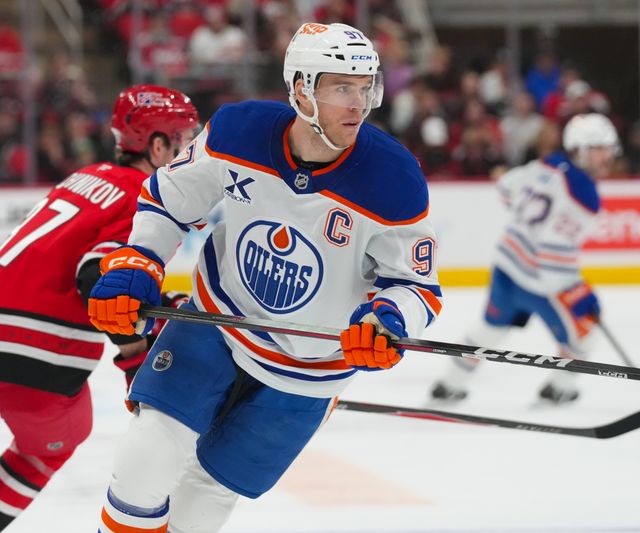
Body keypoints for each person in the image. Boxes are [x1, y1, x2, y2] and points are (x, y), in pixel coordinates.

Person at [88, 22, 442, 533]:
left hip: (310, 368)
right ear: (301, 88)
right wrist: (139, 259)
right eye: (342, 87)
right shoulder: (238, 131)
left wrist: (387, 318)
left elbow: (417, 286)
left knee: (199, 510)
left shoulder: (394, 181)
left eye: (366, 88)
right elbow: (170, 199)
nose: (358, 104)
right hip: (218, 320)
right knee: (142, 468)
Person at [0, 84, 198, 530]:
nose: (191, 154)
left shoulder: (89, 175)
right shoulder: (148, 196)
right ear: (157, 145)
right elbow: (97, 279)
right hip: (35, 349)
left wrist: (158, 304)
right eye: (184, 141)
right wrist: (135, 357)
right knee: (55, 441)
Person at [430, 113, 619, 405]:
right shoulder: (585, 196)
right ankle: (559, 389)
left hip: (506, 266)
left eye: (608, 148)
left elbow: (506, 188)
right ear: (581, 148)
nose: (607, 156)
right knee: (584, 334)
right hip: (539, 283)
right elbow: (554, 256)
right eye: (600, 148)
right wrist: (580, 292)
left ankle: (448, 384)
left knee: (490, 330)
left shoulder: (549, 163)